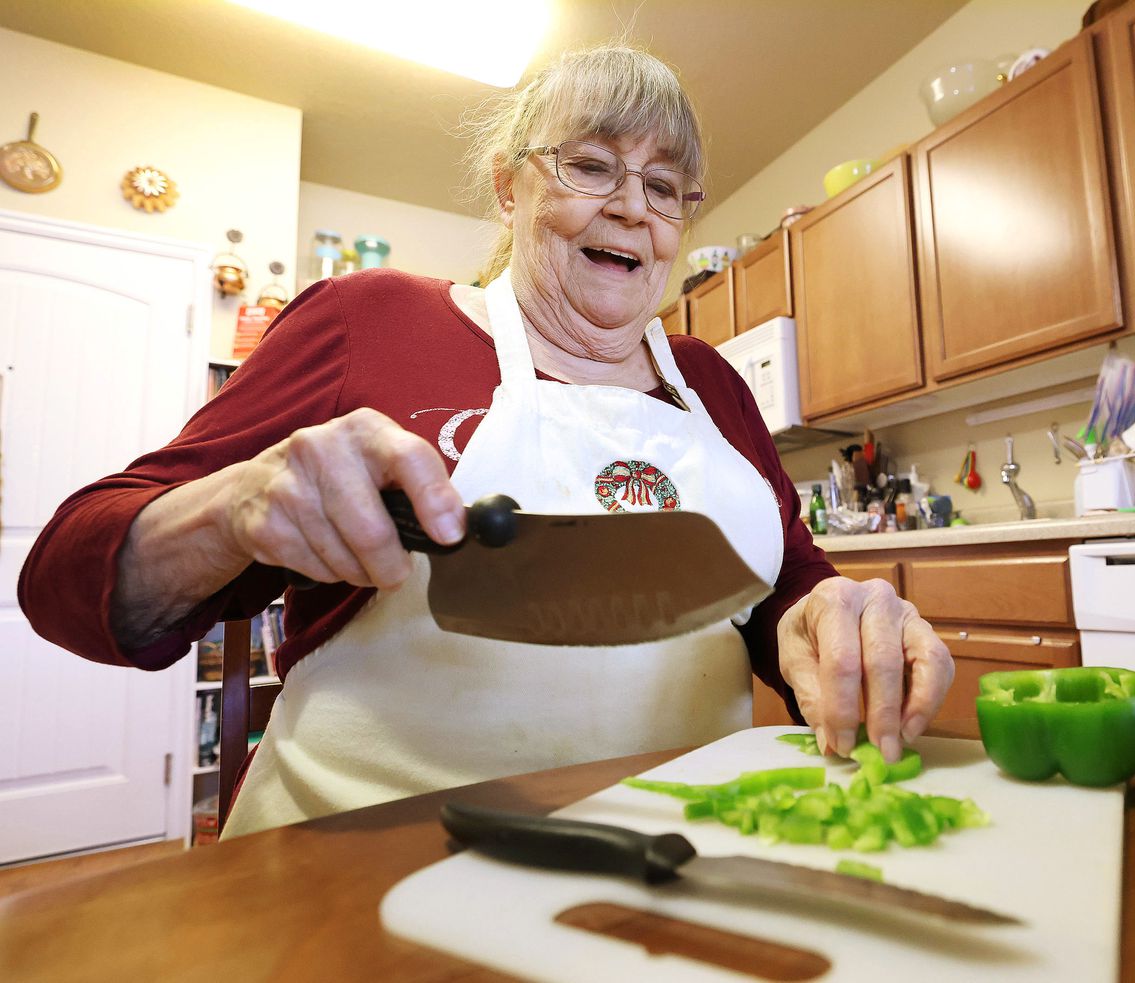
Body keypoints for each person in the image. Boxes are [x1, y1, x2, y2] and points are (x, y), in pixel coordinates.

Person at [18, 43, 953, 837]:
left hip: (665, 864)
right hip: (362, 872)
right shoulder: (372, 321)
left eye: (665, 187)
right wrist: (237, 508)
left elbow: (782, 590)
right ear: (509, 187)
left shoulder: (711, 385)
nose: (633, 207)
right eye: (591, 166)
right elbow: (65, 577)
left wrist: (838, 617)